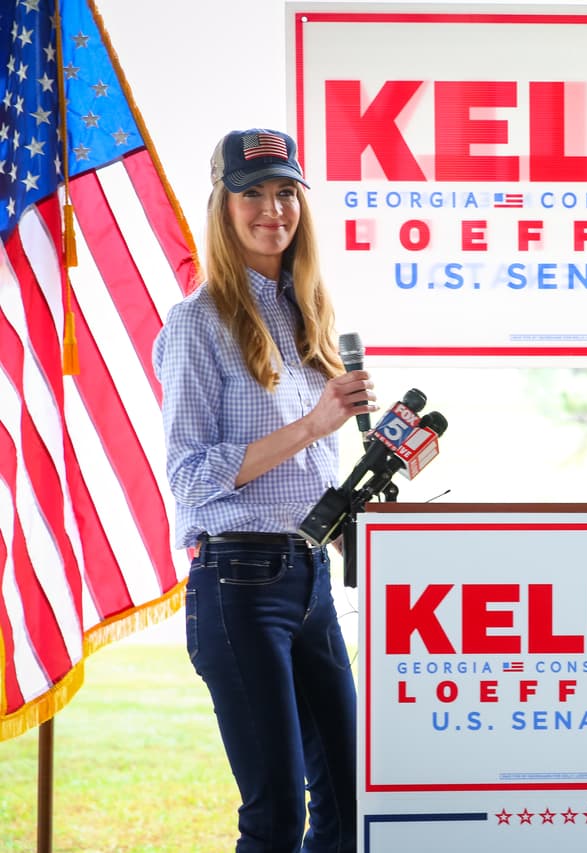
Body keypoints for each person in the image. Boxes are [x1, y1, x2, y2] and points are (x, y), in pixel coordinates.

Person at [153, 128, 374, 853]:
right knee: (277, 816)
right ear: (223, 205)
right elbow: (188, 473)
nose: (272, 209)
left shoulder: (307, 313)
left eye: (286, 192)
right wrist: (314, 423)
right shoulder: (196, 322)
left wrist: (353, 509)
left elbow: (306, 471)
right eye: (253, 193)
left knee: (349, 806)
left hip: (308, 577)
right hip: (238, 582)